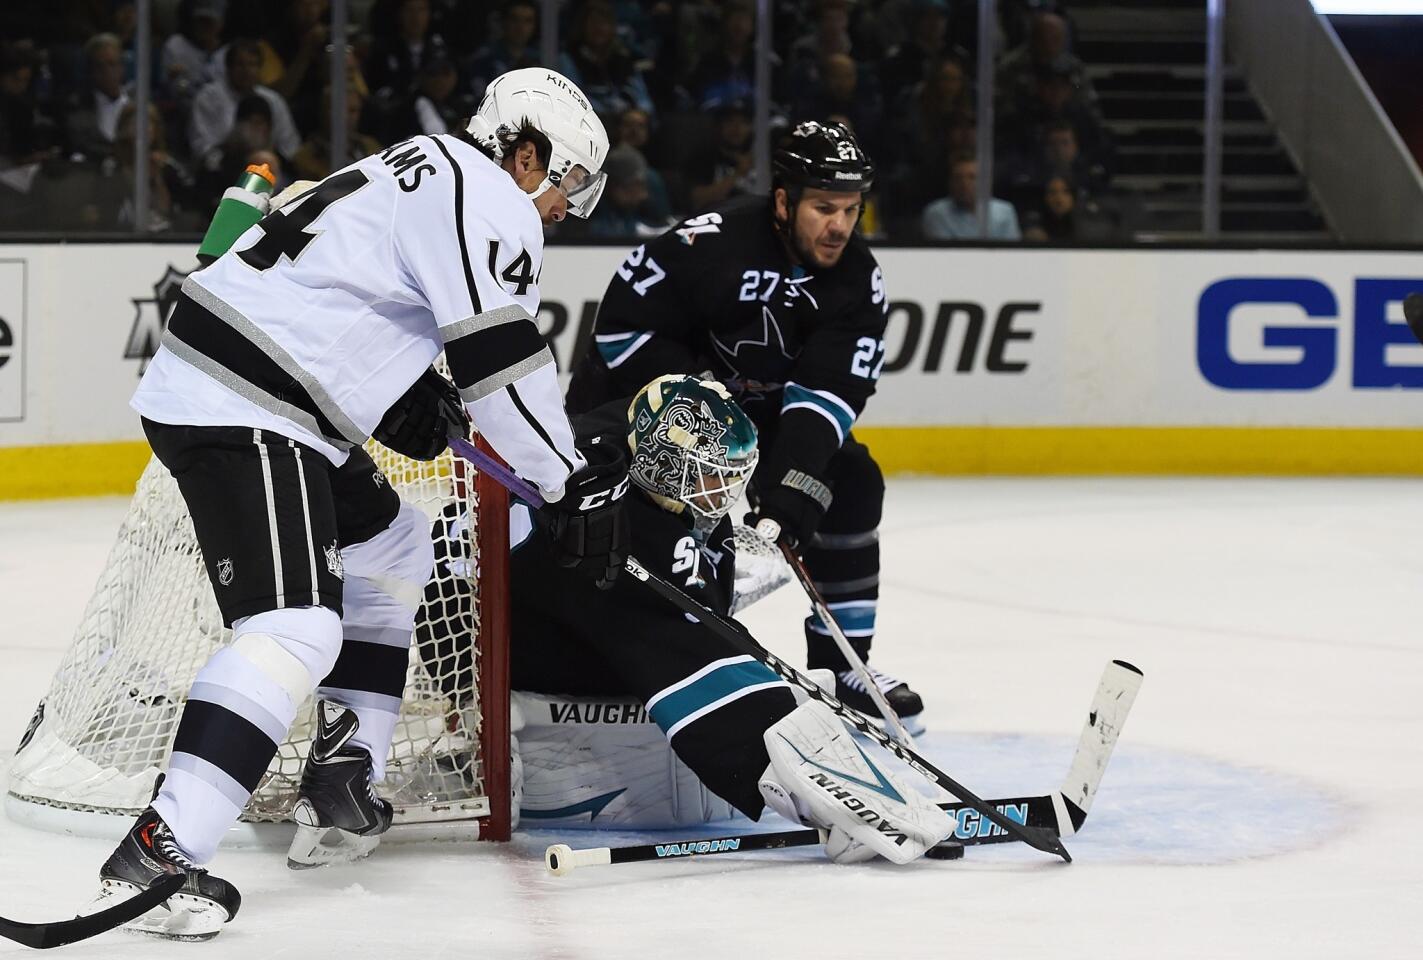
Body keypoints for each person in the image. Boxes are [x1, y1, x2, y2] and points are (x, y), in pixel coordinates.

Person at [95, 67, 628, 940]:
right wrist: (567, 480)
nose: (570, 205)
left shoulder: (424, 164)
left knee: (393, 548)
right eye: (568, 180)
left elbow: (340, 291)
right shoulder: (490, 199)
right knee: (295, 626)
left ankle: (342, 774)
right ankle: (160, 850)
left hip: (260, 388)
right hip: (249, 402)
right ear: (524, 154)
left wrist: (401, 391)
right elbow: (503, 364)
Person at [424, 375, 952, 859]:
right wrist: (792, 760)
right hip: (475, 643)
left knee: (686, 624)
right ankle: (477, 743)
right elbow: (675, 640)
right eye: (710, 478)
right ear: (665, 463)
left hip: (532, 609)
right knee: (681, 642)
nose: (722, 495)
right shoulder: (615, 512)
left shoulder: (634, 455)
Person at [566, 120, 927, 727]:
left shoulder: (856, 279)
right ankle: (599, 653)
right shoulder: (711, 243)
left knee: (853, 481)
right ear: (784, 202)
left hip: (756, 415)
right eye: (823, 208)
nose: (840, 226)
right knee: (618, 510)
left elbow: (830, 391)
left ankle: (846, 666)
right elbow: (624, 328)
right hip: (647, 400)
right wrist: (701, 410)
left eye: (850, 209)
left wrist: (790, 482)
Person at [921, 152, 1021, 240]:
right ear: (950, 182)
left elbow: (1012, 254)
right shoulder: (936, 213)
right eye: (958, 177)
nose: (964, 183)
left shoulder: (1005, 211)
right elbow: (942, 256)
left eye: (972, 177)